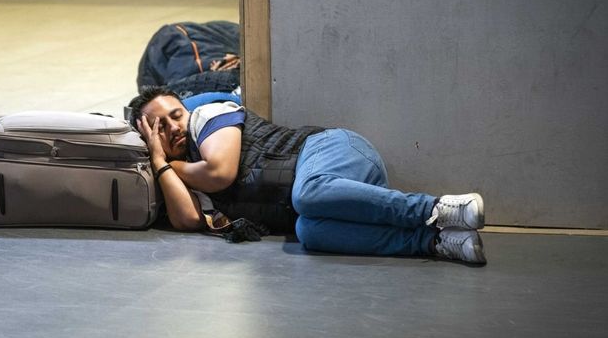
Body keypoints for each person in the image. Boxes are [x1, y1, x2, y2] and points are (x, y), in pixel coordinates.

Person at [128, 87, 487, 264]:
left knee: (308, 194)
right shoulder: (184, 173)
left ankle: (436, 208)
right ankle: (436, 243)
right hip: (328, 202)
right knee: (309, 231)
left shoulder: (208, 116)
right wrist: (160, 163)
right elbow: (188, 219)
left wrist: (172, 166)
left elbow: (221, 172)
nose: (175, 125)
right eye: (160, 126)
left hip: (334, 151)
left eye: (176, 113)